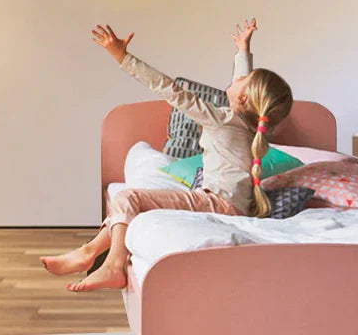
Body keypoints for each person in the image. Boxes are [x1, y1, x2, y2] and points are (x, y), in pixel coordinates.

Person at [39, 17, 293, 291]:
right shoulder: (250, 123)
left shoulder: (222, 119)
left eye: (241, 78)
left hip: (217, 204)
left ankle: (113, 265)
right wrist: (243, 51)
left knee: (127, 197)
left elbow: (170, 89)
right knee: (136, 204)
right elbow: (246, 95)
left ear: (243, 99)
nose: (236, 78)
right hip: (231, 205)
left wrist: (123, 57)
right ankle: (88, 252)